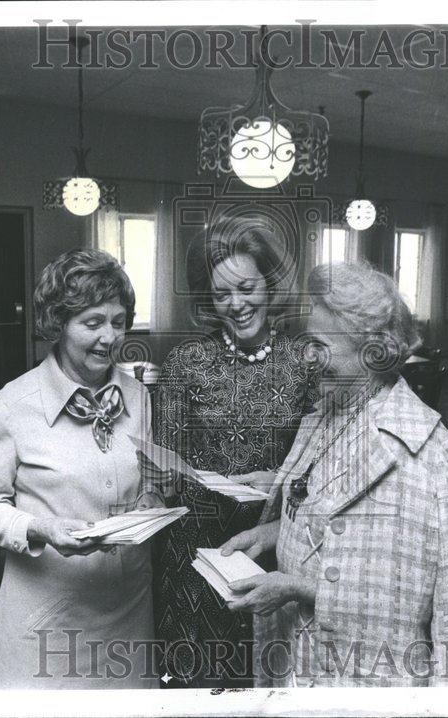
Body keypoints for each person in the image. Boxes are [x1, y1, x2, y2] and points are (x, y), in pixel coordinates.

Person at [220, 261, 448, 687]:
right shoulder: (322, 416)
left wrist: (296, 588)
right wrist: (273, 533)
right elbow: (330, 518)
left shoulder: (440, 457)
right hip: (296, 667)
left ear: (373, 349)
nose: (307, 357)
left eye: (320, 345)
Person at [0, 249, 163, 689]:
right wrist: (41, 527)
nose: (109, 338)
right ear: (58, 323)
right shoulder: (9, 407)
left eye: (117, 321)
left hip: (129, 605)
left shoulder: (139, 396)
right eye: (92, 323)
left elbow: (149, 483)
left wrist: (154, 499)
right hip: (50, 610)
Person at [146, 221, 317, 687]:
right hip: (194, 553)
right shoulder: (185, 362)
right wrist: (158, 487)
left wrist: (281, 475)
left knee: (263, 681)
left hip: (272, 548)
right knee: (196, 683)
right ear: (208, 299)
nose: (237, 305)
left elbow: (322, 465)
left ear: (270, 284)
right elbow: (163, 461)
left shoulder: (305, 363)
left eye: (247, 287)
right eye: (223, 295)